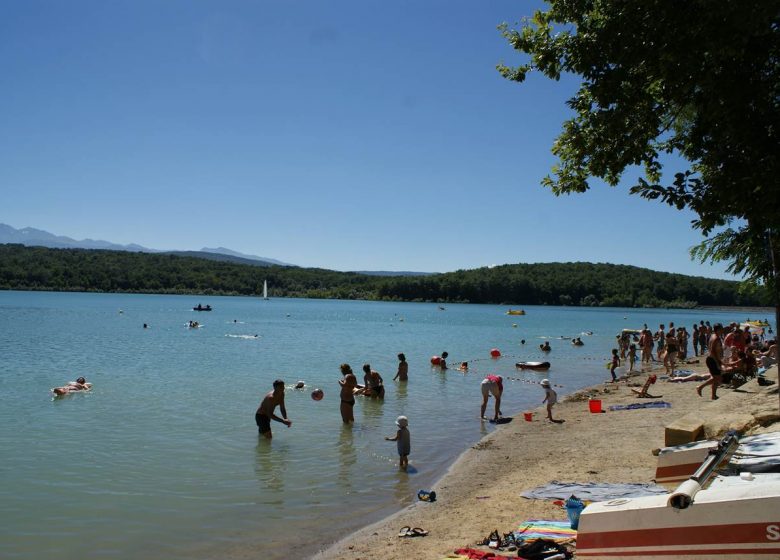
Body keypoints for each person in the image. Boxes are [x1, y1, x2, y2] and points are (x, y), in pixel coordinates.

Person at [697, 323, 724, 400]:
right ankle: (700, 387)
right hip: (712, 360)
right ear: (718, 330)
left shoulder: (713, 336)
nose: (723, 330)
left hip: (711, 359)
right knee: (718, 378)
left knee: (715, 378)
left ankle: (713, 395)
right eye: (721, 328)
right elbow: (712, 351)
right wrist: (717, 362)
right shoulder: (716, 338)